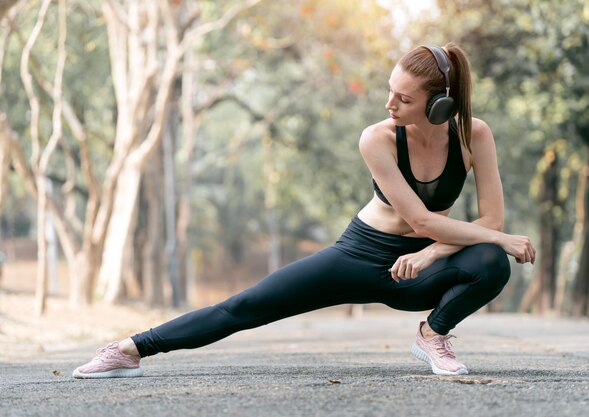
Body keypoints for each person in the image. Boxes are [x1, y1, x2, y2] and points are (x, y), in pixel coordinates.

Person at [73, 43, 535, 379]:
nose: (388, 104)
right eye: (390, 91)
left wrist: (435, 253)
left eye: (404, 99)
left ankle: (432, 335)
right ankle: (130, 348)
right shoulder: (376, 138)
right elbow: (420, 220)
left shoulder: (475, 135)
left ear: (439, 105)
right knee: (247, 306)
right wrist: (479, 237)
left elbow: (490, 222)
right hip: (361, 255)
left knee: (491, 262)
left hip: (418, 272)